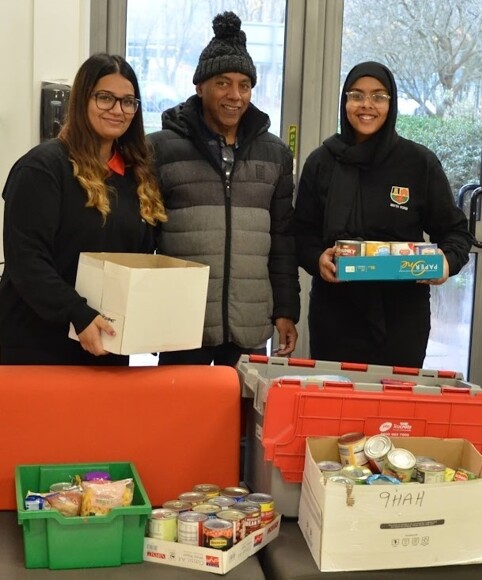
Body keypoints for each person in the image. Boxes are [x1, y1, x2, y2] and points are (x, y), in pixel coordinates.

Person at [294, 61, 473, 368]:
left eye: (378, 96)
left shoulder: (418, 163)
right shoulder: (322, 162)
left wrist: (446, 262)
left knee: (396, 398)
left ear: (391, 103)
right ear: (345, 102)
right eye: (357, 95)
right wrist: (317, 259)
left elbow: (456, 231)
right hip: (336, 314)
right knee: (337, 396)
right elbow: (301, 233)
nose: (367, 105)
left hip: (402, 318)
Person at [149, 11, 300, 367]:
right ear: (199, 86)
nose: (235, 95)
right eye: (223, 83)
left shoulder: (275, 154)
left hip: (250, 323)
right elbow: (142, 241)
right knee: (181, 405)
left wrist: (286, 310)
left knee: (243, 406)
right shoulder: (160, 150)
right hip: (182, 325)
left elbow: (282, 240)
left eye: (244, 85)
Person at [0, 53, 167, 365]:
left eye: (128, 101)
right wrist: (77, 313)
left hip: (106, 345)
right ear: (81, 100)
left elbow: (139, 261)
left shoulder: (138, 176)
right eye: (105, 98)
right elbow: (27, 260)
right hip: (37, 346)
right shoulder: (43, 168)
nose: (117, 110)